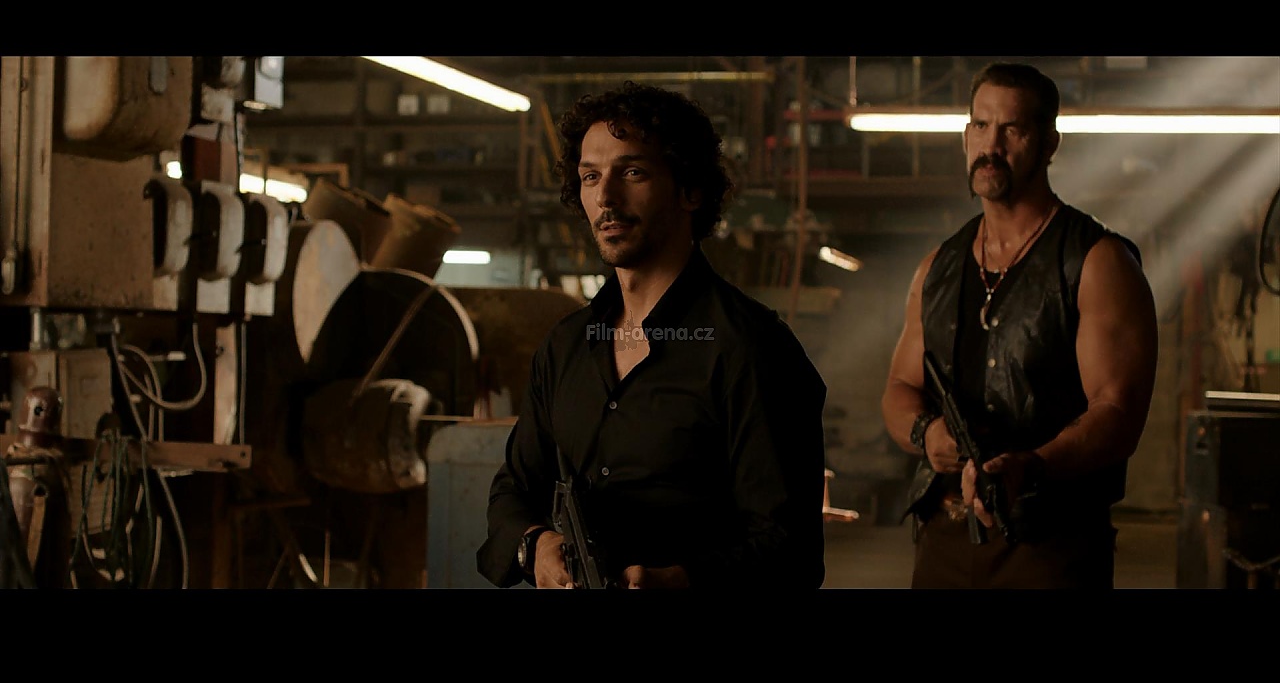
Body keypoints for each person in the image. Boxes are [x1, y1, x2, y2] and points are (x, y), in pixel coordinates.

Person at [476, 81, 827, 589]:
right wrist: (536, 544)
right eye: (590, 176)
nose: (605, 197)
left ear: (691, 190)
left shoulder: (752, 349)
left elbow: (790, 549)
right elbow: (513, 490)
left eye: (632, 172)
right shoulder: (565, 347)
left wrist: (682, 580)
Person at [880, 61, 1159, 589]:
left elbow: (1118, 412)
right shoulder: (938, 267)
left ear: (1049, 144)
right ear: (966, 136)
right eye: (981, 125)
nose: (992, 145)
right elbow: (899, 387)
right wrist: (927, 432)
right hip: (943, 538)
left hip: (1050, 545)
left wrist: (1031, 466)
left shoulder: (1096, 262)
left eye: (1012, 129)